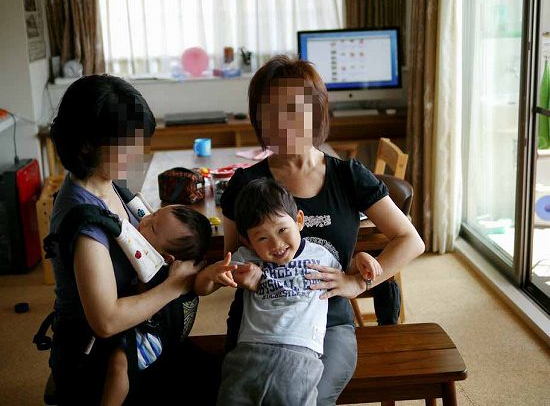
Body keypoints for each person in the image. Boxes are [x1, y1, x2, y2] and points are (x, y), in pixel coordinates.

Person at [216, 55, 426, 405]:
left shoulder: (348, 176)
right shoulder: (245, 183)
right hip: (258, 330)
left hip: (329, 326)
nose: (283, 121)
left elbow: (410, 240)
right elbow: (229, 258)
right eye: (271, 110)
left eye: (294, 109)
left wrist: (358, 283)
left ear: (316, 111)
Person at [47, 74, 208, 405]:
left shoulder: (112, 185)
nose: (137, 154)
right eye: (126, 145)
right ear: (87, 144)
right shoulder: (84, 222)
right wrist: (173, 287)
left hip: (138, 331)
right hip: (99, 360)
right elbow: (106, 321)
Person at [195, 178, 380, 405]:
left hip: (301, 356)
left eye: (282, 230)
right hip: (250, 352)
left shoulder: (320, 254)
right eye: (262, 237)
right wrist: (212, 274)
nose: (276, 244)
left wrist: (362, 258)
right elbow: (201, 287)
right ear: (248, 241)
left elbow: (347, 273)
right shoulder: (246, 258)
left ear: (299, 221)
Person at [101, 204, 212, 406]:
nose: (145, 221)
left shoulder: (160, 267)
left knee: (120, 362)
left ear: (168, 258)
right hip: (161, 323)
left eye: (152, 228)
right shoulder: (157, 244)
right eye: (153, 214)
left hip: (156, 333)